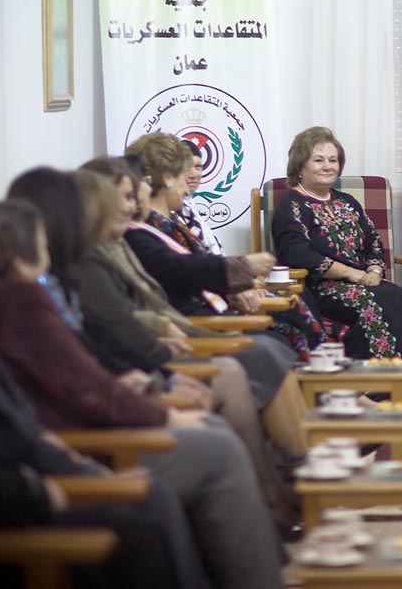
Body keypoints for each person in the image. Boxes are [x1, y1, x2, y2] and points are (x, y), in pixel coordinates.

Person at [0, 201, 285, 589]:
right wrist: (163, 412)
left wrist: (148, 382)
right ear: (23, 251)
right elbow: (84, 386)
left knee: (216, 428)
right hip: (94, 445)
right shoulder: (22, 303)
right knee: (218, 447)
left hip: (84, 434)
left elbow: (87, 364)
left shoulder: (22, 297)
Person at [0, 226, 202, 589]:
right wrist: (40, 488)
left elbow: (22, 430)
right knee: (144, 522)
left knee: (149, 507)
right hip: (6, 525)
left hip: (45, 478)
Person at [65, 165, 300, 533]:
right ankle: (287, 482)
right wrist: (172, 341)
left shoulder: (121, 240)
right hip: (164, 355)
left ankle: (295, 472)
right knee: (259, 354)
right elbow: (139, 307)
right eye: (127, 194)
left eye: (134, 192)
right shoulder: (102, 251)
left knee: (270, 345)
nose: (133, 201)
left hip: (180, 338)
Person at [271, 126, 402, 399]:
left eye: (333, 160)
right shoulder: (291, 206)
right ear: (300, 165)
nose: (327, 166)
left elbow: (373, 241)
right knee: (370, 303)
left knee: (400, 297)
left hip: (365, 279)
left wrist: (374, 268)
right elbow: (298, 254)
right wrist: (350, 273)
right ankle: (379, 384)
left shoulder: (348, 201)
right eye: (318, 160)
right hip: (320, 287)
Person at [123, 133, 324, 358]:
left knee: (293, 305)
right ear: (168, 178)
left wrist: (234, 286)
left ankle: (328, 370)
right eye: (184, 175)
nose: (189, 183)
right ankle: (324, 373)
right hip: (198, 324)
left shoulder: (172, 222)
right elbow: (183, 268)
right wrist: (243, 267)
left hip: (216, 309)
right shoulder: (143, 231)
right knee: (282, 330)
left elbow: (196, 267)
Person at [177, 139, 225, 255]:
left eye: (198, 167)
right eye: (187, 167)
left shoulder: (191, 209)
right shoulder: (172, 213)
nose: (194, 175)